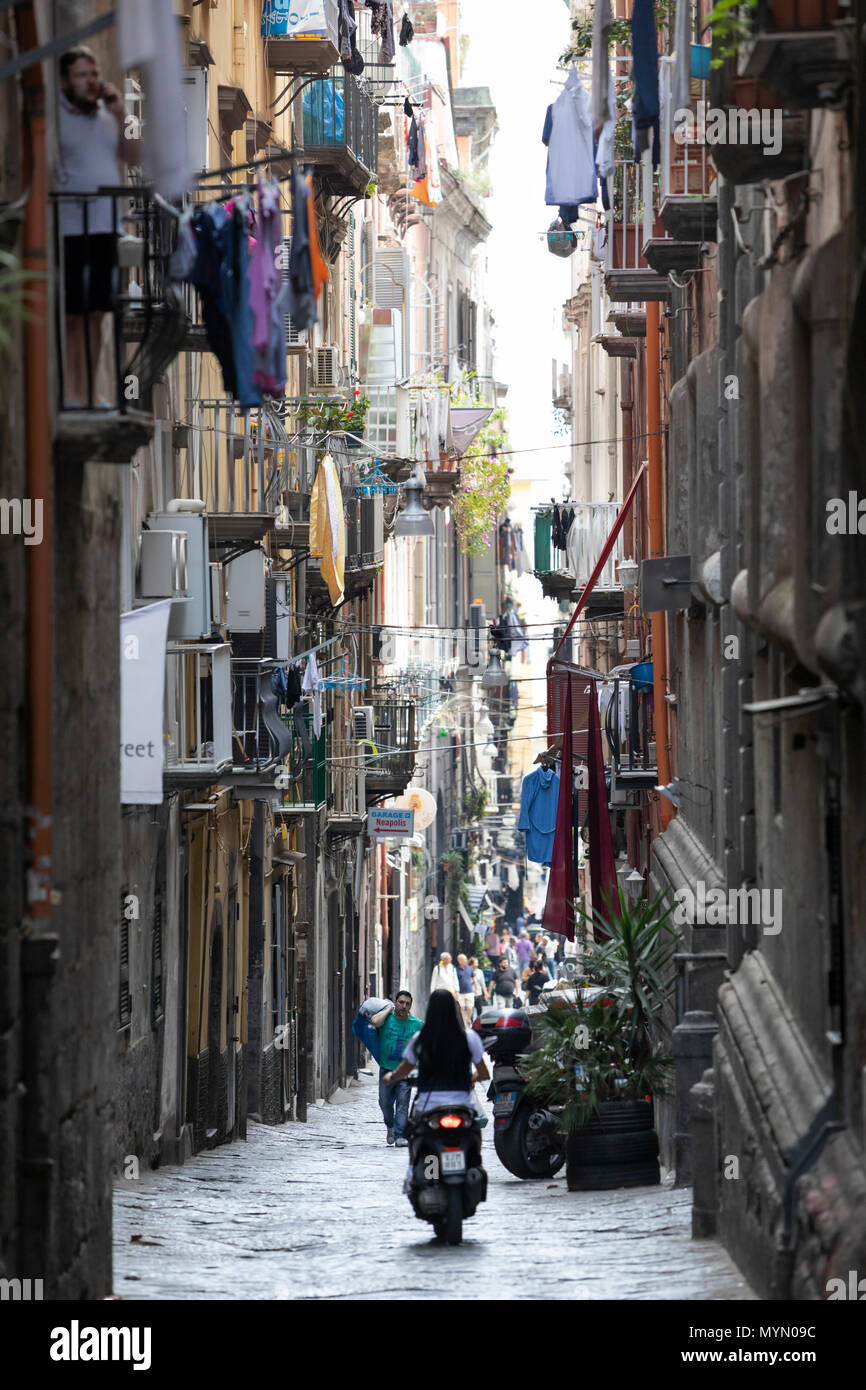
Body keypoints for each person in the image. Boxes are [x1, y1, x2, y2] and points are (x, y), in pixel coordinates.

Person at [58, 46, 136, 406]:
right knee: (74, 315)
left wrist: (121, 113)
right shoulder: (56, 116)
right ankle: (73, 391)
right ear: (64, 82)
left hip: (105, 226)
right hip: (70, 227)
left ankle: (92, 391)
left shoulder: (107, 114)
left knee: (99, 316)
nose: (90, 81)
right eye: (81, 75)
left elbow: (132, 157)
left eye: (93, 74)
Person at [382, 990, 489, 1128]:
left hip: (428, 1107)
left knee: (415, 1137)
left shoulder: (420, 1039)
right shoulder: (469, 1037)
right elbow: (484, 1073)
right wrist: (468, 1079)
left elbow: (404, 1069)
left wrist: (391, 1077)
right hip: (461, 1106)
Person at [370, 991, 422, 1147]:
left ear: (410, 1005)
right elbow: (374, 1022)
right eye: (401, 1002)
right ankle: (390, 1126)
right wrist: (387, 1009)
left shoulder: (417, 1024)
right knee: (384, 1103)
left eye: (407, 1003)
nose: (404, 1006)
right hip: (386, 1070)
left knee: (402, 1103)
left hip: (405, 1072)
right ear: (395, 1002)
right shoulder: (386, 1020)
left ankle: (400, 1135)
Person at [454, 953, 476, 1027]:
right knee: (462, 1008)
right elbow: (454, 980)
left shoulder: (470, 968)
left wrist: (476, 988)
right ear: (460, 961)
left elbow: (474, 978)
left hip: (469, 991)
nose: (466, 960)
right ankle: (463, 1023)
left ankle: (469, 1019)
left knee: (470, 1007)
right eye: (464, 959)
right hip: (460, 992)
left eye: (466, 959)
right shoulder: (456, 970)